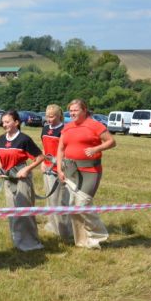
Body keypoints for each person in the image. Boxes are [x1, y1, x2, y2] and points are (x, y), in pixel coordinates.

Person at [0, 110, 45, 251]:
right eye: (3, 122)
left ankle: (32, 243)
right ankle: (18, 241)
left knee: (24, 211)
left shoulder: (24, 139)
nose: (4, 125)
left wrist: (27, 169)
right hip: (7, 178)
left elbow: (40, 157)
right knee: (12, 210)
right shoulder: (1, 139)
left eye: (7, 122)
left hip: (21, 177)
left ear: (16, 122)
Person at [56, 99, 116, 249]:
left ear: (84, 110)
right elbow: (61, 149)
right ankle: (82, 241)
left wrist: (96, 149)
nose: (72, 113)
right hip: (70, 170)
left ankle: (98, 237)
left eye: (75, 110)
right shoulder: (67, 128)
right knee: (73, 205)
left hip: (90, 170)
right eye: (70, 110)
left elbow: (111, 141)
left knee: (83, 203)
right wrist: (59, 169)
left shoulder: (95, 125)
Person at [40, 104, 73, 242]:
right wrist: (42, 162)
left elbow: (66, 150)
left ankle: (66, 230)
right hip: (47, 168)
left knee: (60, 201)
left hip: (59, 169)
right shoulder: (45, 128)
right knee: (50, 200)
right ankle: (53, 226)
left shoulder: (64, 130)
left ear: (59, 116)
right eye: (47, 116)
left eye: (52, 116)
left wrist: (60, 167)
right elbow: (43, 147)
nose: (49, 119)